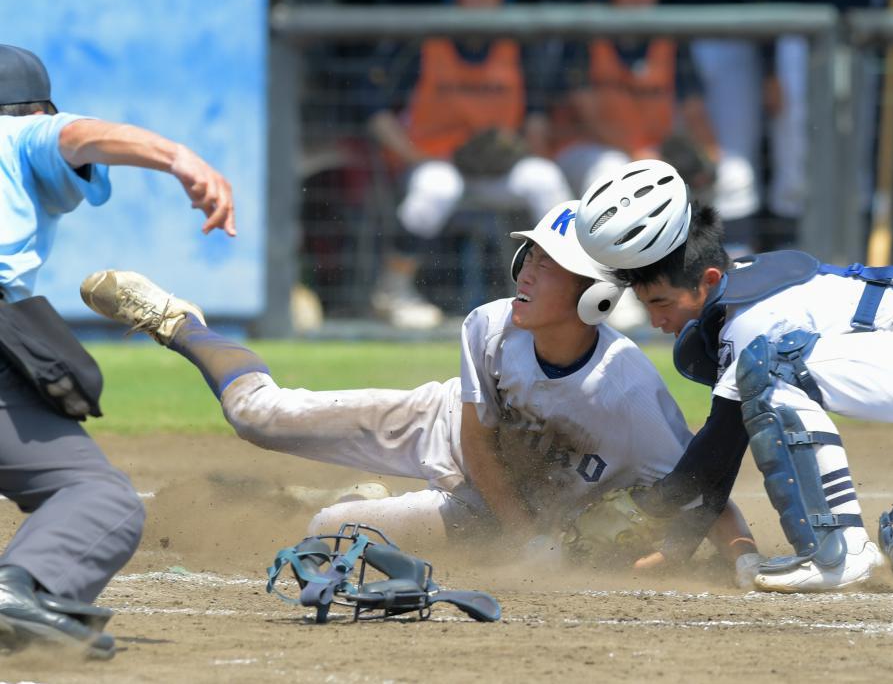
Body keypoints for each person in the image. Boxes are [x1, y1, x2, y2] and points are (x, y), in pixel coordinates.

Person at [81, 202, 761, 584]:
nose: (525, 272)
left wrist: (741, 553)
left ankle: (359, 503)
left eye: (550, 267)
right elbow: (473, 439)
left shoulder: (628, 395)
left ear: (597, 297)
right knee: (254, 415)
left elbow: (703, 480)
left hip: (479, 506)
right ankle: (181, 322)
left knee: (328, 534)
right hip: (444, 432)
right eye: (529, 255)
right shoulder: (490, 326)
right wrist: (529, 534)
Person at [572, 158, 893, 592]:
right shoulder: (743, 295)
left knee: (770, 368)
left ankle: (833, 553)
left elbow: (717, 449)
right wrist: (678, 543)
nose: (657, 320)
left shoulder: (752, 318)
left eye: (661, 302)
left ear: (709, 281)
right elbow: (722, 460)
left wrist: (650, 507)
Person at [0, 44, 235, 658]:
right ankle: (20, 588)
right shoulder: (22, 130)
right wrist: (180, 157)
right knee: (99, 499)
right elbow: (87, 136)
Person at [366, 0, 573, 329]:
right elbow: (375, 112)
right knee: (436, 188)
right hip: (437, 161)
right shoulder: (426, 41)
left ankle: (571, 286)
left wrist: (524, 149)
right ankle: (393, 291)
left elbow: (537, 118)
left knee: (545, 179)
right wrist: (412, 155)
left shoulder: (516, 44)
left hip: (497, 168)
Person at [551, 0, 758, 239]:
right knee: (612, 172)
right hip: (587, 148)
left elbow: (693, 108)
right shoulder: (590, 27)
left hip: (652, 152)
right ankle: (610, 273)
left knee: (735, 174)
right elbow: (586, 112)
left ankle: (731, 267)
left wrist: (709, 155)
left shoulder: (667, 32)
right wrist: (638, 154)